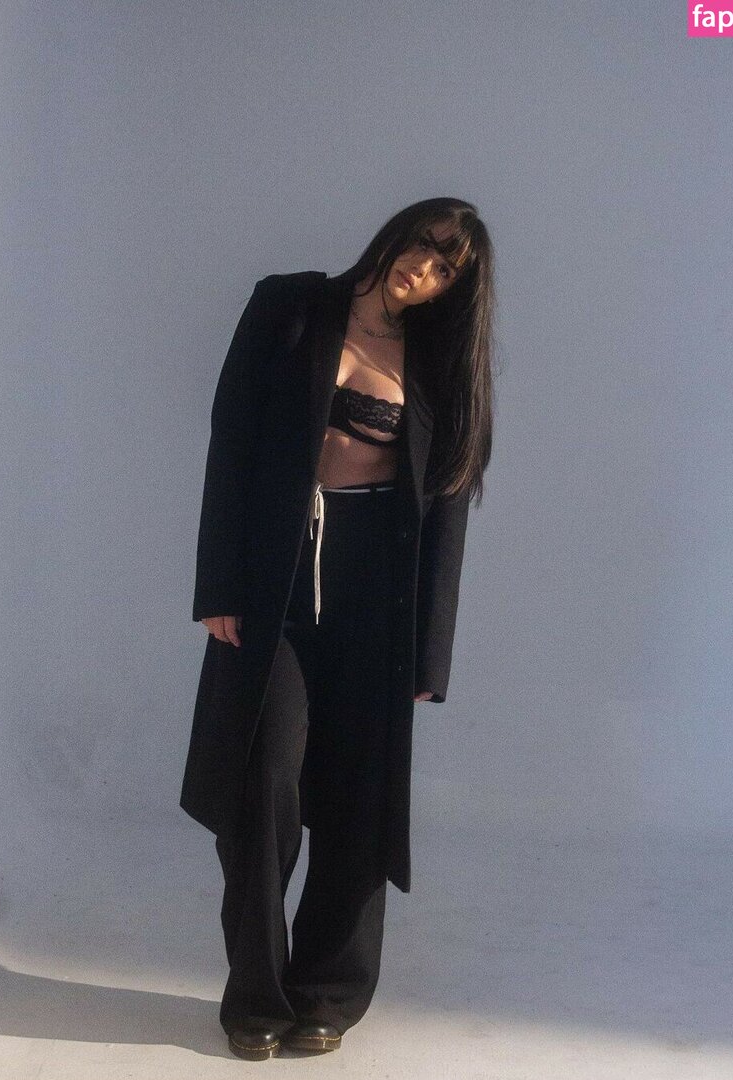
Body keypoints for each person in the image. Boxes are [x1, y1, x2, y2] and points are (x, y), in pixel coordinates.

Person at [180, 196, 496, 1061]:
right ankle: (256, 994)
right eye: (423, 245)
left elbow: (445, 510)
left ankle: (328, 993)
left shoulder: (439, 362)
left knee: (359, 795)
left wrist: (430, 649)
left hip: (376, 593)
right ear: (396, 232)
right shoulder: (288, 304)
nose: (423, 269)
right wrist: (218, 585)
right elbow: (230, 443)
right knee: (264, 783)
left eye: (446, 268)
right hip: (275, 581)